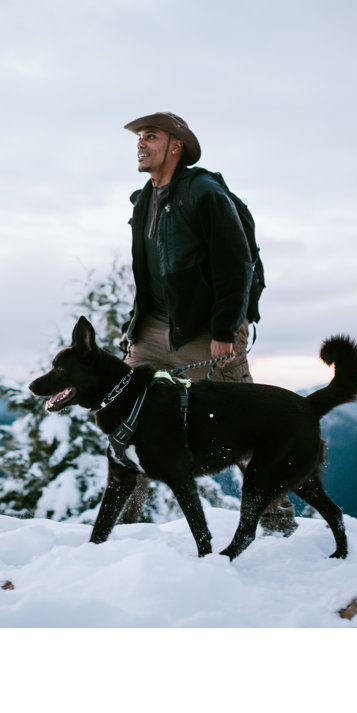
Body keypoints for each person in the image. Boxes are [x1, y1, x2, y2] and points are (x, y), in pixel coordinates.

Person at [115, 111, 298, 535]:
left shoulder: (205, 192)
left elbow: (237, 264)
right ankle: (125, 521)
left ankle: (275, 519)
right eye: (139, 137)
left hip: (207, 328)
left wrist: (224, 331)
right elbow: (151, 274)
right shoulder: (144, 200)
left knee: (242, 421)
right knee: (129, 413)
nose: (141, 144)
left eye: (151, 136)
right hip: (156, 326)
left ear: (175, 146)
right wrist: (135, 322)